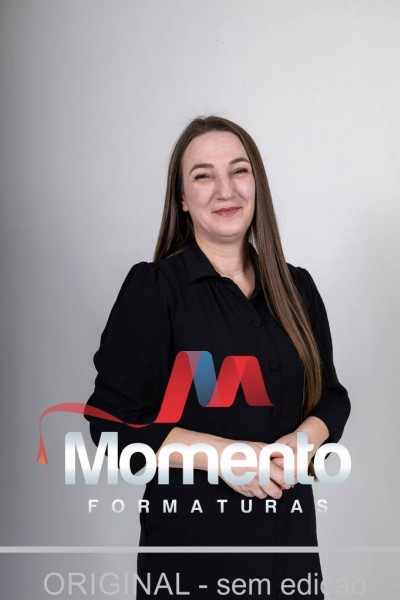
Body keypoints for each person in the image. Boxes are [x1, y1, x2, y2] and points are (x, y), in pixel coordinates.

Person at [85, 115, 351, 599]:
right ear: (183, 200)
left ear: (257, 184)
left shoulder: (297, 288)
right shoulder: (155, 290)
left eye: (239, 171)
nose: (225, 190)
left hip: (290, 554)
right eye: (203, 176)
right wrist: (228, 456)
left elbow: (331, 397)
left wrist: (301, 442)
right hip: (193, 561)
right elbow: (111, 427)